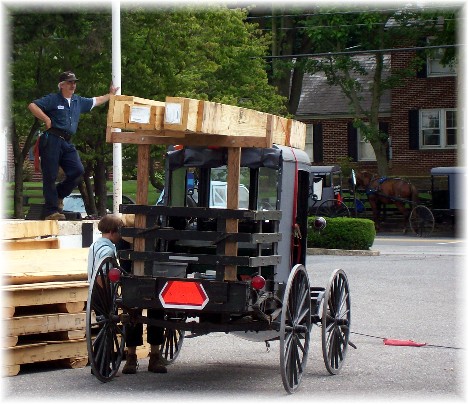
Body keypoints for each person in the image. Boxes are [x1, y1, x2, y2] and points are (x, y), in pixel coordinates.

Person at [28, 71, 119, 220]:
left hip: (66, 141)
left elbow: (95, 100)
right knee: (50, 175)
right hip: (52, 139)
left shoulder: (78, 101)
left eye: (74, 82)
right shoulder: (53, 99)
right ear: (62, 85)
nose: (73, 85)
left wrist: (110, 95)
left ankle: (58, 195)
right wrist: (46, 119)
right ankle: (52, 211)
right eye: (69, 82)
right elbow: (32, 105)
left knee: (77, 170)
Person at [118, 214, 168, 375]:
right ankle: (145, 355)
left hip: (143, 279)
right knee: (146, 312)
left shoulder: (123, 242)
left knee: (143, 312)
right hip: (140, 280)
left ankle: (139, 355)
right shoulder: (124, 244)